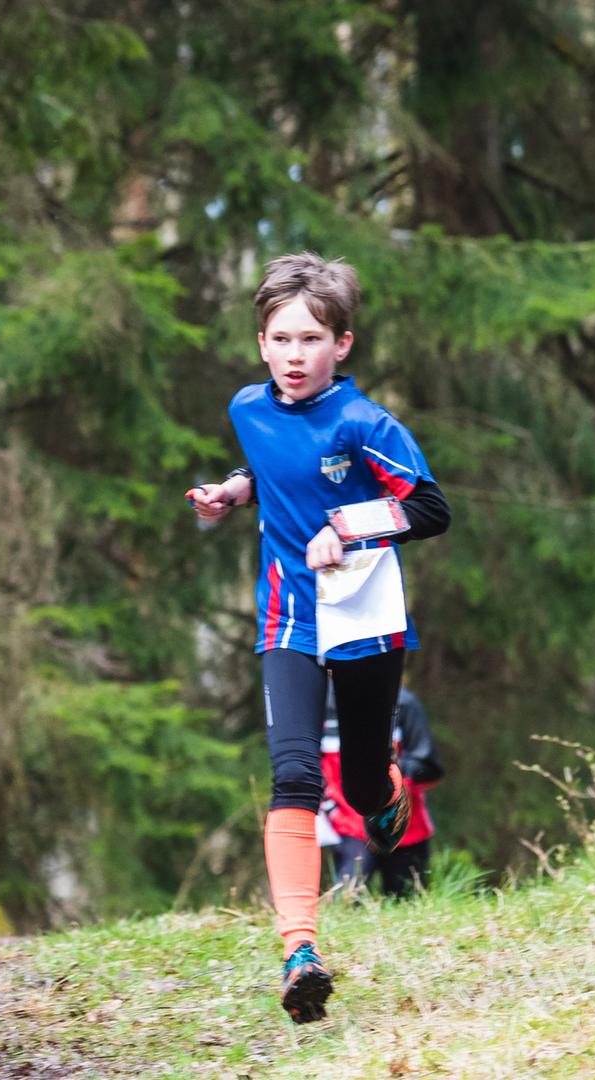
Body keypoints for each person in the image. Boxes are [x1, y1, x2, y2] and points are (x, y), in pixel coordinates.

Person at [185, 253, 451, 1024]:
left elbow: (431, 509)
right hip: (288, 619)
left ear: (343, 345)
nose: (294, 355)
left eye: (311, 339)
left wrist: (350, 528)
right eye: (280, 338)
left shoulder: (367, 424)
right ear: (261, 344)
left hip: (365, 617)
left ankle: (388, 791)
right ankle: (300, 950)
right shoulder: (248, 409)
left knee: (363, 787)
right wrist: (233, 492)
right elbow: (275, 464)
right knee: (295, 776)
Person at [320, 686, 444, 898]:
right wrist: (330, 809)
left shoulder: (403, 702)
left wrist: (388, 770)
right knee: (346, 903)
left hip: (404, 828)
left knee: (409, 907)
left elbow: (429, 767)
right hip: (347, 827)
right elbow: (306, 767)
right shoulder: (318, 705)